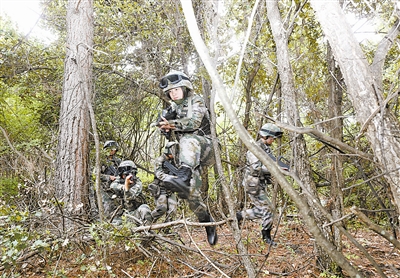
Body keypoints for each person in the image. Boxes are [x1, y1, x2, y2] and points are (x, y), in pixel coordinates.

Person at [155, 70, 218, 245]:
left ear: (185, 88)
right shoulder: (173, 108)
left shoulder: (195, 101)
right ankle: (208, 224)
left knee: (188, 139)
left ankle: (183, 176)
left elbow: (193, 123)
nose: (173, 93)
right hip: (189, 157)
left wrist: (172, 124)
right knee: (191, 195)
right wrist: (165, 128)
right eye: (170, 92)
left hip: (206, 148)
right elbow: (168, 132)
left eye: (176, 90)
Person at [236, 123, 288, 246]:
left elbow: (271, 162)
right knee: (268, 208)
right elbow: (256, 168)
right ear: (264, 136)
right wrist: (275, 169)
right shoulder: (254, 149)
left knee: (264, 209)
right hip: (253, 184)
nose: (273, 140)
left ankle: (239, 215)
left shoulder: (266, 148)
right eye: (271, 138)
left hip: (260, 183)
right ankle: (266, 236)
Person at [109, 160, 152, 225]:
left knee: (145, 209)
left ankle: (147, 229)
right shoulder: (119, 179)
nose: (124, 176)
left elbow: (129, 197)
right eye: (123, 174)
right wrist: (123, 186)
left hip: (135, 213)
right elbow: (112, 186)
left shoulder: (137, 183)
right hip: (123, 215)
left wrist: (127, 187)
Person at [148, 141, 179, 223]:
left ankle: (168, 229)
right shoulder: (159, 160)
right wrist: (174, 178)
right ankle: (146, 223)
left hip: (170, 189)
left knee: (173, 209)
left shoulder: (174, 161)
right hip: (160, 189)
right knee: (162, 208)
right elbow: (159, 175)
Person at [99, 140, 122, 220]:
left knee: (119, 204)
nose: (113, 151)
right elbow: (96, 175)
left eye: (114, 149)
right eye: (111, 149)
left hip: (116, 186)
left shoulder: (118, 161)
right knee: (107, 206)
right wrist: (108, 177)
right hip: (105, 188)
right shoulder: (101, 161)